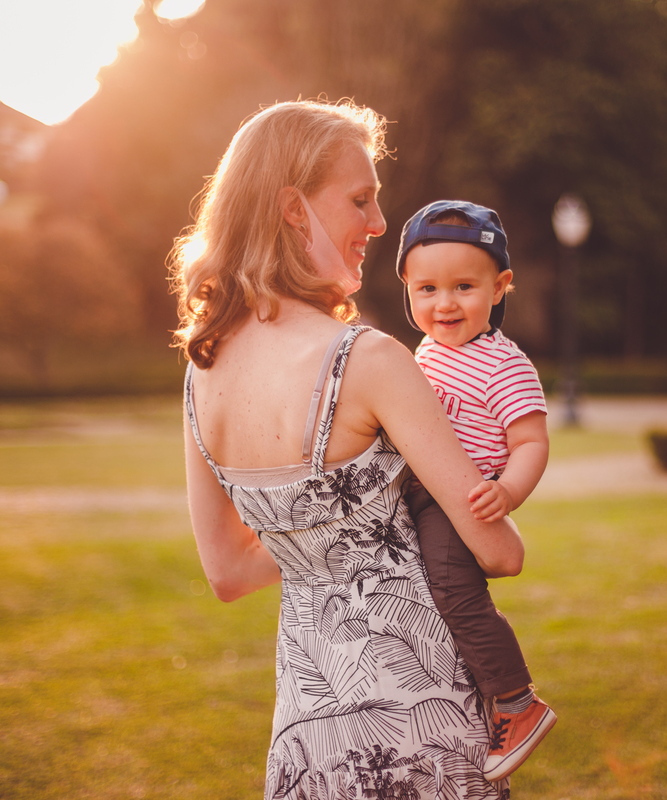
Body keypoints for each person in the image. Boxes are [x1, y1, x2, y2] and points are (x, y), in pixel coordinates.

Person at [172, 100, 523, 799]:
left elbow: (227, 572)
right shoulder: (368, 360)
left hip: (309, 740)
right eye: (360, 200)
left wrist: (328, 540)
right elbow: (499, 552)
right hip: (421, 726)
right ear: (294, 209)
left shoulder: (201, 373)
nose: (379, 224)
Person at [395, 200, 558, 781]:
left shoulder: (503, 365)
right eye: (427, 289)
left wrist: (508, 492)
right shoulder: (425, 352)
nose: (444, 304)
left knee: (457, 594)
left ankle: (516, 701)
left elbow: (532, 442)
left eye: (463, 286)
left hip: (459, 501)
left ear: (499, 287)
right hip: (418, 491)